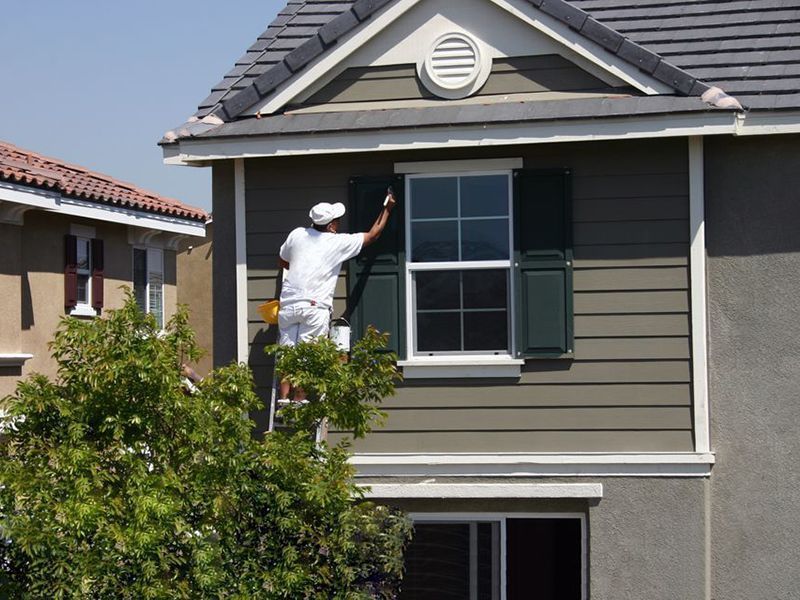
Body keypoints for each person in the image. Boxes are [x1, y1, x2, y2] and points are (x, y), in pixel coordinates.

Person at [277, 192, 396, 401]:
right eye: (337, 221)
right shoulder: (336, 242)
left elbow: (283, 261)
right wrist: (387, 209)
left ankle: (284, 402)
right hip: (314, 307)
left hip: (288, 305)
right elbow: (372, 235)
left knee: (287, 357)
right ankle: (298, 402)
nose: (338, 224)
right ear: (331, 225)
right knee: (306, 358)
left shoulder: (297, 235)